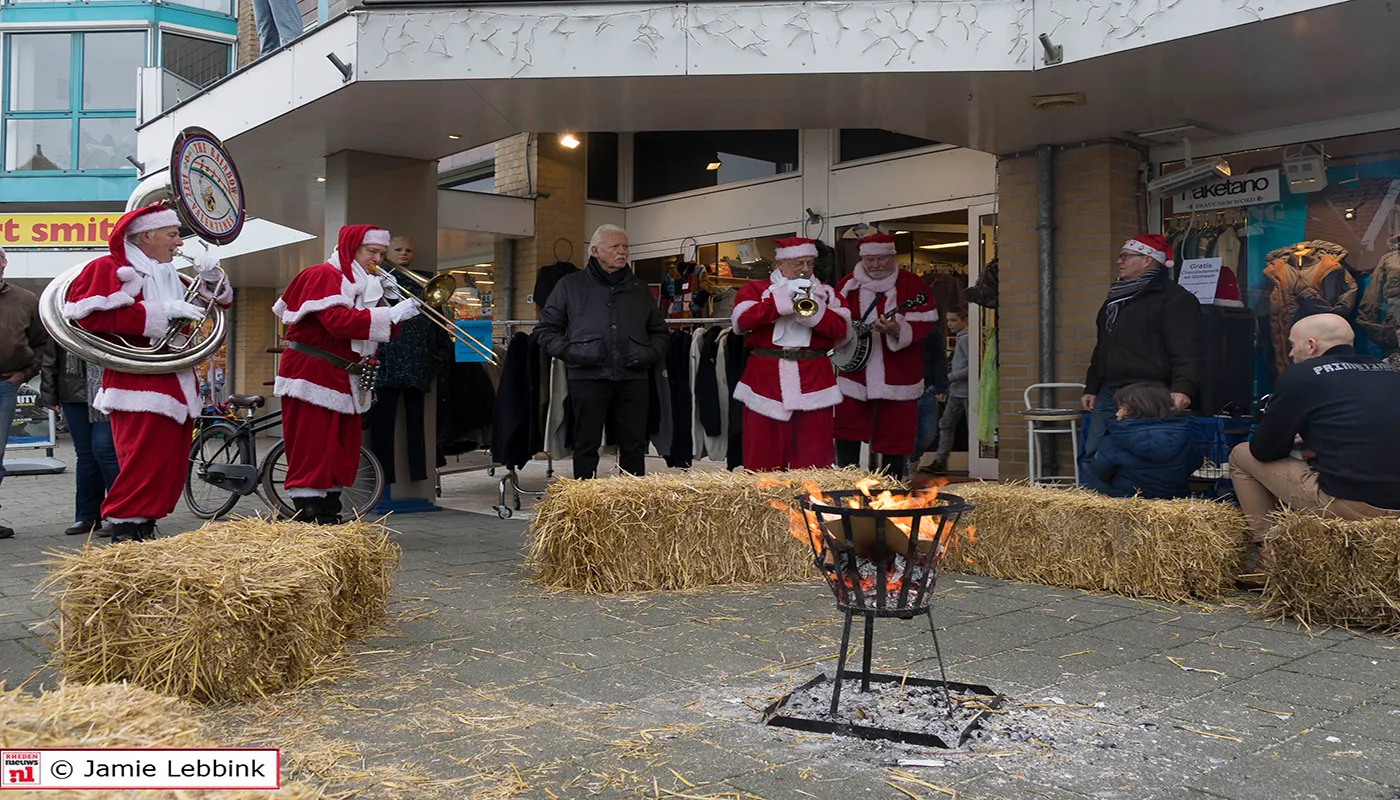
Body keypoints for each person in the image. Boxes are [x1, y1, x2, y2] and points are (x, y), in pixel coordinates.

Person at [60, 204, 230, 543]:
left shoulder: (167, 273)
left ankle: (143, 526)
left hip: (175, 382)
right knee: (141, 463)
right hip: (137, 382)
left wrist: (212, 278)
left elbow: (217, 303)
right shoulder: (109, 268)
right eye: (172, 234)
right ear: (146, 236)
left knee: (166, 465)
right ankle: (126, 533)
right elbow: (89, 318)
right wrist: (160, 311)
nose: (179, 243)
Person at [1230, 314, 1400, 577]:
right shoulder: (1390, 372)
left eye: (1292, 345)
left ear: (1311, 346)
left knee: (1241, 455)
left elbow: (1263, 451)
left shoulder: (1301, 376)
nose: (1289, 353)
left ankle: (1268, 562)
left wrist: (1295, 438)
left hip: (1354, 502)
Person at [273, 225, 419, 523]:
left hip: (344, 375)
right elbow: (337, 322)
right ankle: (308, 513)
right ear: (352, 248)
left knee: (340, 447)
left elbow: (378, 334)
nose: (377, 259)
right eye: (371, 252)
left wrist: (390, 305)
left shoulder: (366, 282)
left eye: (381, 253)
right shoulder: (324, 275)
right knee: (313, 444)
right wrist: (390, 313)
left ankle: (328, 509)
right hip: (313, 373)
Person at [534, 224, 668, 479]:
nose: (622, 252)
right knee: (585, 444)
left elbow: (660, 332)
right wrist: (574, 353)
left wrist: (647, 354)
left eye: (625, 247)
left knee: (634, 444)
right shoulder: (569, 286)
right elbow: (545, 331)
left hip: (633, 377)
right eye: (615, 247)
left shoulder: (639, 288)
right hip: (587, 377)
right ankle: (585, 501)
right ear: (595, 251)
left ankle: (632, 502)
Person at [1082, 234, 1203, 469]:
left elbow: (1188, 348)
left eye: (1125, 256)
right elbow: (1103, 346)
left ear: (1148, 260)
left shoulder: (1175, 299)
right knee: (1095, 453)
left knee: (1142, 456)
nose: (1119, 261)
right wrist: (1093, 386)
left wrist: (1183, 387)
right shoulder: (1115, 299)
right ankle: (1094, 503)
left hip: (1149, 391)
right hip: (1110, 390)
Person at [730, 237, 849, 470]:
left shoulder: (826, 293)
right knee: (763, 454)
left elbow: (842, 330)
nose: (805, 269)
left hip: (814, 380)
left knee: (813, 456)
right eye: (798, 263)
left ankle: (809, 503)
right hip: (765, 381)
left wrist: (814, 308)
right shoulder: (755, 290)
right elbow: (743, 322)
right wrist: (781, 300)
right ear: (780, 264)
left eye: (810, 263)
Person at [834, 233, 938, 478]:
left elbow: (924, 323)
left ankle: (892, 487)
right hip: (855, 373)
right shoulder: (848, 285)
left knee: (897, 432)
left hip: (898, 371)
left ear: (892, 256)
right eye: (870, 259)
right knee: (847, 427)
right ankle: (847, 482)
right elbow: (833, 323)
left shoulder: (912, 284)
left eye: (881, 259)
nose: (875, 265)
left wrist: (897, 329)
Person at [368, 236, 451, 486]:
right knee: (383, 426)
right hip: (386, 362)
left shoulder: (425, 284)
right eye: (398, 249)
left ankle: (418, 475)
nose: (404, 254)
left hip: (416, 363)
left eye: (409, 250)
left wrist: (437, 356)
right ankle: (384, 478)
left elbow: (438, 326)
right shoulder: (375, 282)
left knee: (417, 425)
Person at [0, 245, 52, 540]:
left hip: (3, 387)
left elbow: (42, 344)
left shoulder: (25, 299)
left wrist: (24, 374)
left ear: (4, 262)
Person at [41, 346, 119, 536]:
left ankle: (119, 515)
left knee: (105, 450)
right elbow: (51, 354)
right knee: (85, 455)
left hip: (108, 388)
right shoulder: (64, 317)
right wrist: (49, 393)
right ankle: (87, 517)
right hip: (72, 389)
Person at [1085, 382, 1198, 499]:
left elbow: (1100, 471)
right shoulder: (1184, 434)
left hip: (1125, 500)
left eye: (1120, 408)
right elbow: (1193, 464)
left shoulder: (1116, 437)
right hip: (1173, 500)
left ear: (1133, 409)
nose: (1116, 413)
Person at [929, 307, 970, 474]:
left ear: (965, 321)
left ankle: (942, 460)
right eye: (948, 320)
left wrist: (949, 378)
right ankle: (940, 461)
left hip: (966, 391)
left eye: (954, 320)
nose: (949, 324)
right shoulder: (961, 339)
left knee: (959, 425)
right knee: (945, 424)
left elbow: (972, 367)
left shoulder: (967, 339)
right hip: (956, 391)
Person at [910, 311, 949, 472]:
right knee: (904, 431)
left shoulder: (931, 331)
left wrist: (941, 386)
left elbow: (940, 358)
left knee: (928, 433)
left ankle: (912, 458)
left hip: (927, 387)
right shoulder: (895, 329)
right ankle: (905, 465)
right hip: (903, 388)